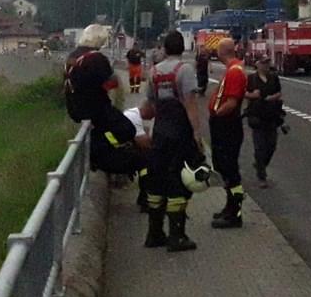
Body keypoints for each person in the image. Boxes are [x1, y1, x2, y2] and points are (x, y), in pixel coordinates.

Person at [143, 30, 206, 252]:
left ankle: (154, 233)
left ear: (165, 48)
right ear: (182, 47)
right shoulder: (185, 70)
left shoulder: (153, 72)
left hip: (160, 132)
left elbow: (149, 107)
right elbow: (190, 105)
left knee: (157, 180)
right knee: (178, 181)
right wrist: (197, 134)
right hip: (180, 134)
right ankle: (176, 236)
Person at [64, 24, 136, 174]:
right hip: (96, 108)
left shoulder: (71, 57)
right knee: (127, 130)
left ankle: (97, 152)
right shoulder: (96, 58)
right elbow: (111, 84)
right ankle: (101, 156)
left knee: (105, 132)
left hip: (75, 108)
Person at [208, 37, 247, 229]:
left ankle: (234, 213)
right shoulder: (232, 69)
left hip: (227, 125)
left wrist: (217, 114)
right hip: (225, 124)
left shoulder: (234, 71)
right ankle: (229, 207)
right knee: (224, 166)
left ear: (222, 51)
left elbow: (231, 102)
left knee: (229, 169)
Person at [244, 56, 285, 187]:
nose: (266, 66)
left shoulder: (274, 78)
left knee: (271, 146)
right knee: (260, 147)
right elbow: (244, 93)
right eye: (263, 63)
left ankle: (260, 164)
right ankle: (262, 176)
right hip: (257, 117)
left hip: (272, 117)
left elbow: (279, 92)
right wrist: (252, 95)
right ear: (257, 64)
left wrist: (272, 97)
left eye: (267, 63)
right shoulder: (251, 79)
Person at [123, 99, 155, 212]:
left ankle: (144, 197)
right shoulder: (134, 117)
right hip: (118, 153)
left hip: (123, 148)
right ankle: (145, 199)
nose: (154, 116)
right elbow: (144, 143)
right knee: (148, 163)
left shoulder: (134, 114)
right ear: (149, 108)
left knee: (146, 159)